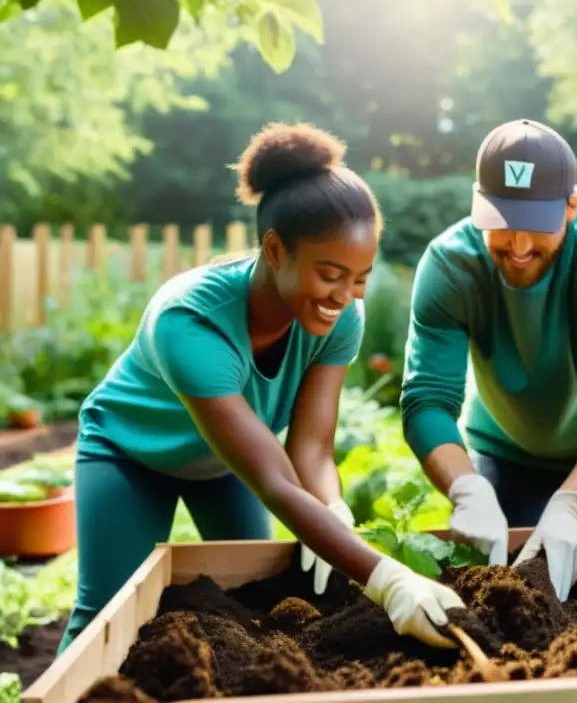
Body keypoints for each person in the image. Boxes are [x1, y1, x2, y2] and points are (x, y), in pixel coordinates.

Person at [58, 123, 465, 654]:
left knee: (252, 600)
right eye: (330, 274)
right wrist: (388, 580)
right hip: (129, 454)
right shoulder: (189, 322)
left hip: (223, 466)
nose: (345, 295)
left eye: (360, 278)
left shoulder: (341, 319)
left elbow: (312, 447)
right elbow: (275, 481)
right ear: (275, 250)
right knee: (104, 616)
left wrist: (331, 507)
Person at [400, 118, 577, 601]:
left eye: (536, 225)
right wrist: (466, 491)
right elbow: (426, 399)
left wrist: (575, 503)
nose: (517, 247)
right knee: (505, 603)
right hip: (501, 452)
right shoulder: (450, 267)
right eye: (500, 223)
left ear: (571, 206)